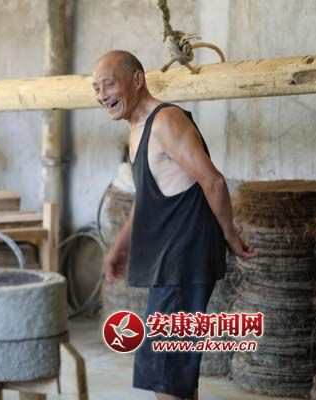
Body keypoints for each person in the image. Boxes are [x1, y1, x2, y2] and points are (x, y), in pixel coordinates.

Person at [93, 50, 256, 400]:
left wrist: (230, 235)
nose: (102, 95)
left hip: (183, 261)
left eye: (109, 84)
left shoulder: (166, 121)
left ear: (138, 79)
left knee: (164, 373)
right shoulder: (137, 130)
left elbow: (213, 181)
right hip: (170, 263)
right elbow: (146, 199)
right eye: (96, 88)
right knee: (174, 372)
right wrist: (119, 248)